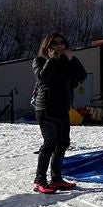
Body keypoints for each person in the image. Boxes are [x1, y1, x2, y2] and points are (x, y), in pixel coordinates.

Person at [31, 33, 87, 194]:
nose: (59, 45)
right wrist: (51, 59)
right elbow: (43, 78)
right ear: (47, 46)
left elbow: (81, 76)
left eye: (62, 42)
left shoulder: (66, 63)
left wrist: (72, 59)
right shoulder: (39, 61)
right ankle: (39, 180)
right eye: (55, 43)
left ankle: (56, 179)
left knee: (62, 143)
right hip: (46, 108)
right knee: (50, 143)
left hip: (63, 108)